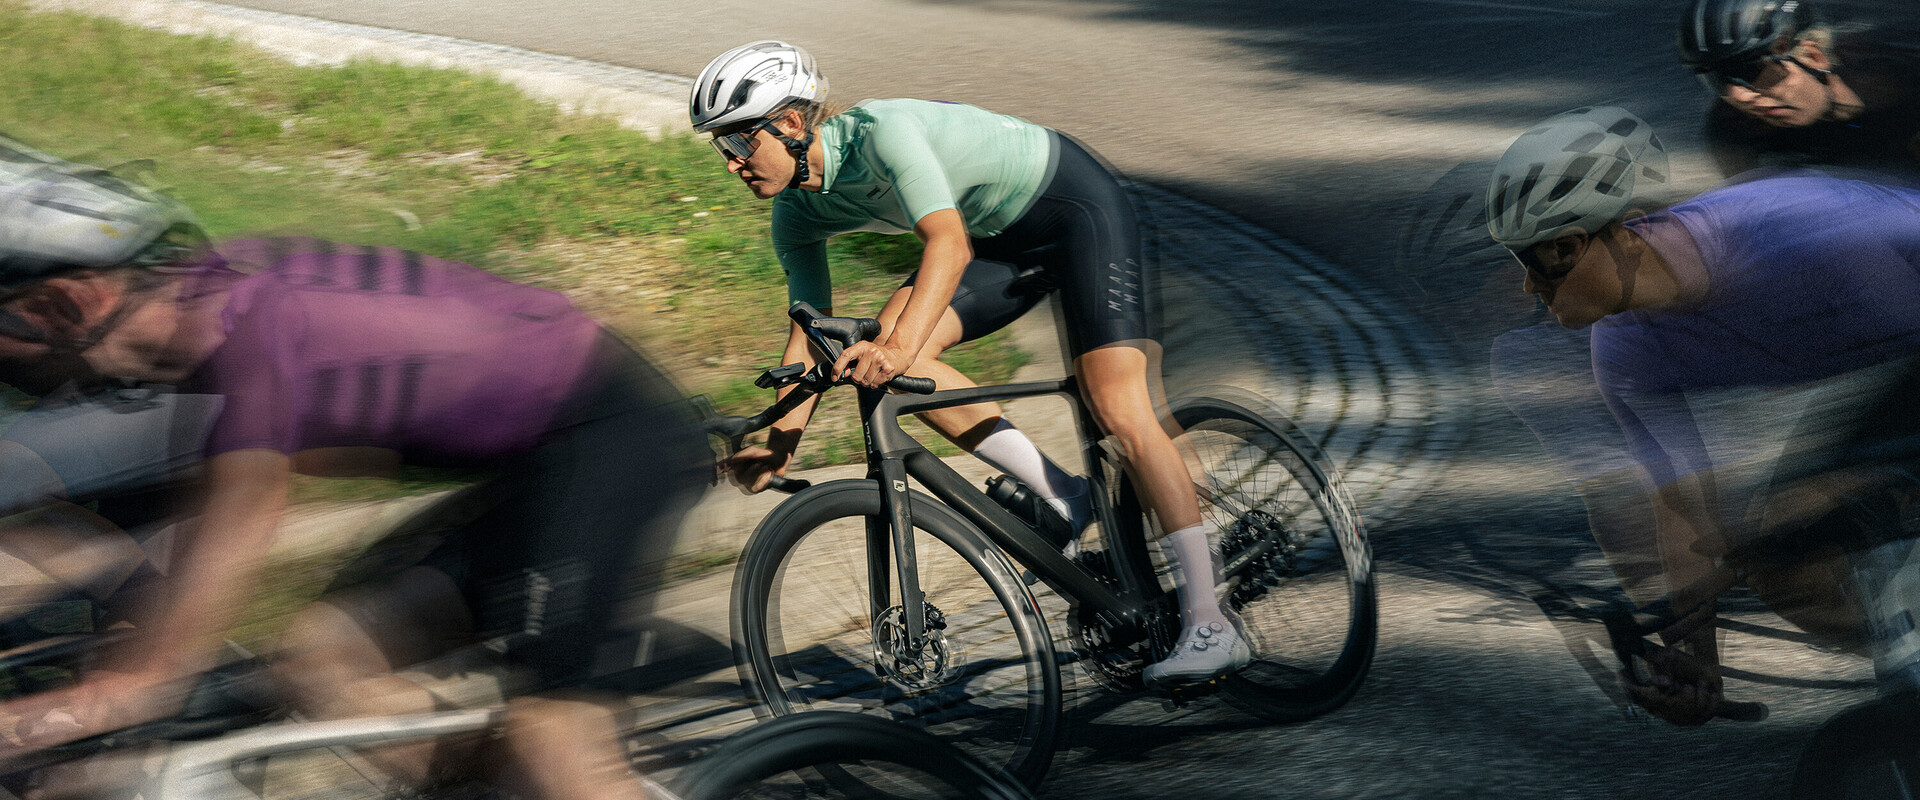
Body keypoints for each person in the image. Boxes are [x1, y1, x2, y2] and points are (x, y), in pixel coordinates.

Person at [0, 134, 708, 799]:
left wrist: (115, 695)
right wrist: (117, 668)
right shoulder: (191, 329)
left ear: (65, 302)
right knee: (321, 660)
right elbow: (141, 537)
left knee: (552, 738)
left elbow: (236, 523)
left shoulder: (252, 331)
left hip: (609, 437)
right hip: (538, 465)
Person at [689, 40, 1246, 686]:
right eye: (721, 147)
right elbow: (810, 334)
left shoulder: (883, 134)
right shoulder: (794, 214)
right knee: (899, 365)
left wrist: (895, 348)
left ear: (790, 123)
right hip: (1000, 242)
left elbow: (947, 246)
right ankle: (1064, 494)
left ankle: (1212, 623)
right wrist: (781, 445)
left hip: (1074, 209)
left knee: (1118, 407)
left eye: (739, 140)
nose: (732, 163)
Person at [1486, 106, 1920, 725]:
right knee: (1774, 556)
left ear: (1621, 232)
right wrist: (1696, 663)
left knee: (1820, 509)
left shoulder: (1794, 235)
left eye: (1545, 258)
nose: (1530, 285)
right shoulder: (1627, 352)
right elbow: (1683, 511)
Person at [1678, 0, 1920, 178]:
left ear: (1814, 56)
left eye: (1751, 72)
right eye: (1717, 80)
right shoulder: (1733, 129)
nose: (1738, 96)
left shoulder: (1901, 83)